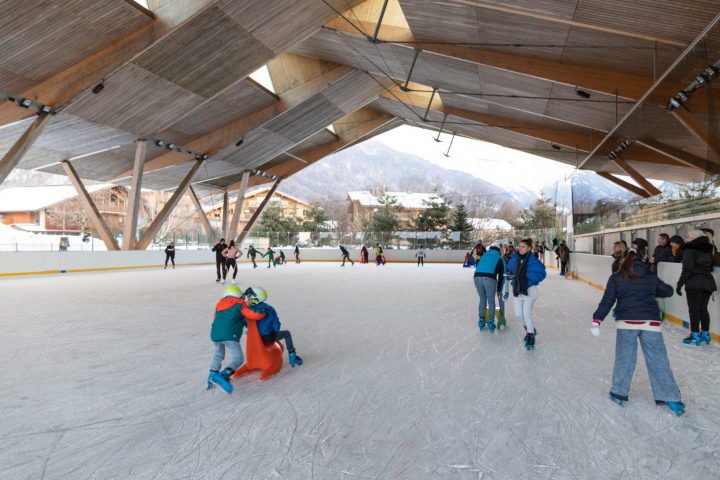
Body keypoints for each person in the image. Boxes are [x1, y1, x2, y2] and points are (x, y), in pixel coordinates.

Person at [591, 249, 685, 416]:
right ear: (641, 261)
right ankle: (671, 398)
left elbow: (607, 300)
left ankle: (619, 393)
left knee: (625, 359)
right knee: (658, 360)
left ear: (624, 261)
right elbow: (668, 291)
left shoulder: (616, 277)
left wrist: (597, 319)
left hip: (626, 323)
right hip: (651, 323)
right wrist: (652, 289)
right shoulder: (650, 276)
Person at [207, 285, 266, 394]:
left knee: (218, 354)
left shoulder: (219, 304)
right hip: (229, 335)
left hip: (215, 334)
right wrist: (261, 312)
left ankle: (213, 372)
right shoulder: (240, 304)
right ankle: (222, 375)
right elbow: (251, 314)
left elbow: (215, 318)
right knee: (238, 358)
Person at [245, 287, 303, 367]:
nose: (247, 299)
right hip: (268, 337)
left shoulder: (247, 310)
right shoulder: (269, 309)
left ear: (256, 298)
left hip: (254, 339)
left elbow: (246, 324)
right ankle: (292, 354)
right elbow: (276, 325)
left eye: (249, 297)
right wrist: (274, 331)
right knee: (287, 334)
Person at [676, 230, 717, 346]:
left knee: (694, 310)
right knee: (703, 309)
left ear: (694, 238)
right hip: (708, 283)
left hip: (695, 283)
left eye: (688, 237)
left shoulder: (689, 249)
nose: (686, 239)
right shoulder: (708, 249)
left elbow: (687, 269)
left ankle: (694, 335)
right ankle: (705, 333)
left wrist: (679, 284)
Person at [507, 238, 546, 350]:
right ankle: (531, 329)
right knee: (518, 315)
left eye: (523, 247)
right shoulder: (514, 259)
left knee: (526, 314)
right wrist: (510, 276)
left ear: (529, 248)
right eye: (520, 246)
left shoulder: (533, 260)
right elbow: (509, 270)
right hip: (517, 290)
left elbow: (542, 274)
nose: (520, 248)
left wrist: (527, 277)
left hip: (529, 290)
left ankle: (530, 336)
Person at [473, 240, 506, 332]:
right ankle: (491, 321)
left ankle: (481, 320)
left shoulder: (484, 256)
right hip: (489, 278)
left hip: (476, 277)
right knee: (491, 300)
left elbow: (479, 267)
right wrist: (499, 289)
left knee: (482, 299)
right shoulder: (500, 258)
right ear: (499, 250)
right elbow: (502, 276)